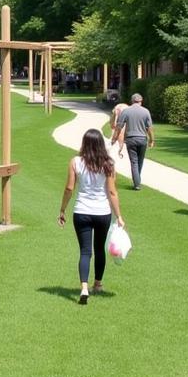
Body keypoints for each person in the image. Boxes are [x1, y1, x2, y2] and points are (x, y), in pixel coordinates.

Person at [59, 128, 125, 305]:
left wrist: (62, 210)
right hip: (102, 212)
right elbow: (112, 191)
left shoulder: (76, 162)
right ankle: (98, 283)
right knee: (99, 249)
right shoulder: (108, 164)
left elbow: (69, 189)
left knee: (85, 251)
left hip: (81, 211)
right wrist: (119, 216)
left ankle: (84, 287)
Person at [115, 93, 154, 189]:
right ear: (141, 101)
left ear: (132, 101)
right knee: (140, 161)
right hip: (142, 139)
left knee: (134, 162)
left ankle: (137, 183)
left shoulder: (126, 111)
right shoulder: (146, 111)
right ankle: (137, 181)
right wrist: (152, 140)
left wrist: (114, 138)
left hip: (131, 139)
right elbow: (150, 128)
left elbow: (119, 126)